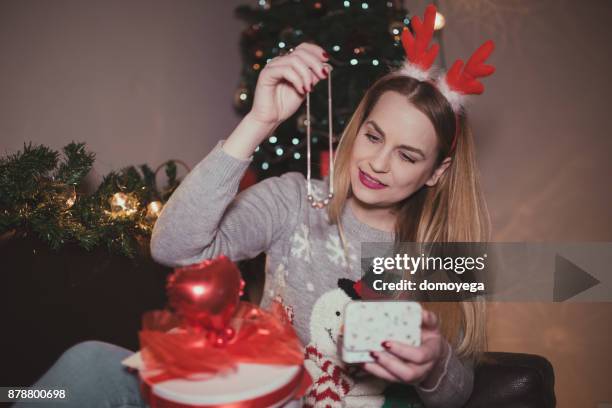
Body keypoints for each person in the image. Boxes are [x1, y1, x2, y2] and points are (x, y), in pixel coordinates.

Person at [15, 4, 494, 407]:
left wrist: (433, 363)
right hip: (240, 395)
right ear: (358, 128)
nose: (378, 162)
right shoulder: (294, 200)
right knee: (88, 364)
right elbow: (174, 248)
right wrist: (258, 123)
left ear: (436, 171)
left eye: (407, 156)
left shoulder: (438, 253)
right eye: (373, 135)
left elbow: (460, 390)